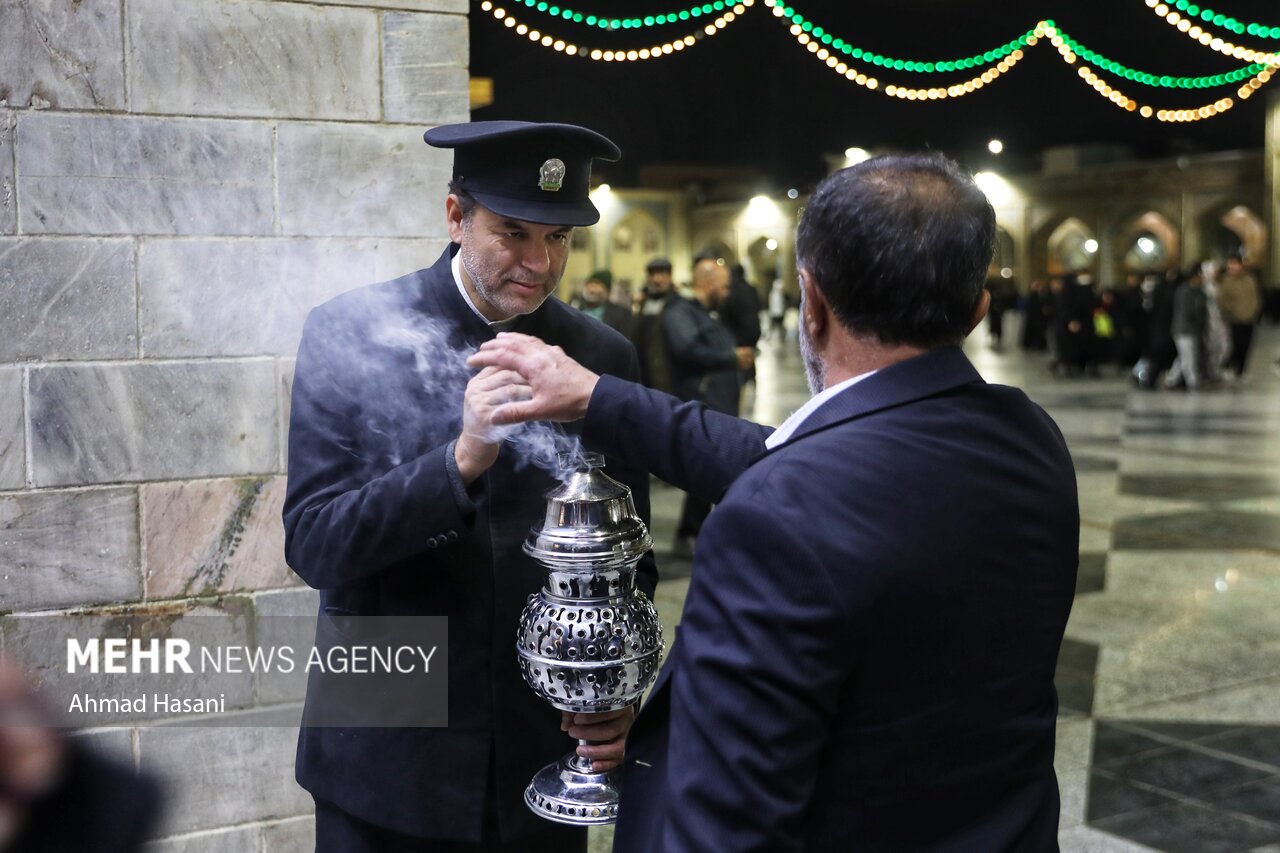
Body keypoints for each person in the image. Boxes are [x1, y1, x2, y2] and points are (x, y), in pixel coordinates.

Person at [471, 153, 1079, 852]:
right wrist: (601, 397)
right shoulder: (1031, 440)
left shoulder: (775, 517)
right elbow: (802, 462)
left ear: (810, 301)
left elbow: (726, 825)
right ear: (978, 310)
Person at [283, 121, 657, 853]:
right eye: (513, 233)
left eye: (559, 238)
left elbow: (631, 562)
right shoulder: (348, 333)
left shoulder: (600, 358)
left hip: (539, 758)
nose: (538, 262)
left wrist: (614, 692)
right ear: (456, 217)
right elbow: (316, 544)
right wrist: (458, 460)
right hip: (387, 750)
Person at [663, 253, 753, 554]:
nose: (727, 294)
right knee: (703, 471)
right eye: (724, 287)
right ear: (708, 282)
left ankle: (702, 533)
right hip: (701, 403)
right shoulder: (680, 311)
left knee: (714, 472)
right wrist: (730, 358)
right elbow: (686, 348)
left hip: (718, 402)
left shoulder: (706, 313)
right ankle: (689, 534)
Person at [630, 258, 677, 393]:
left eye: (662, 274)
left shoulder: (678, 304)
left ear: (669, 277)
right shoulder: (643, 303)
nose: (657, 280)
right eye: (653, 275)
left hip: (668, 374)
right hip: (644, 373)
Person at [1217, 256, 1261, 378]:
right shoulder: (1226, 280)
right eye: (1230, 265)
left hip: (1249, 318)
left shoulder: (1249, 279)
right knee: (1234, 344)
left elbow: (1255, 296)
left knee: (1246, 344)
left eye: (1235, 264)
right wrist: (1230, 311)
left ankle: (1241, 369)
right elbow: (1222, 300)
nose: (1233, 267)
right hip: (1233, 319)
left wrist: (1255, 310)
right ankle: (1231, 366)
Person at [573, 269, 634, 339]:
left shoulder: (622, 314)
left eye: (596, 285)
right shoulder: (575, 309)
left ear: (607, 291)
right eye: (589, 285)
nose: (591, 290)